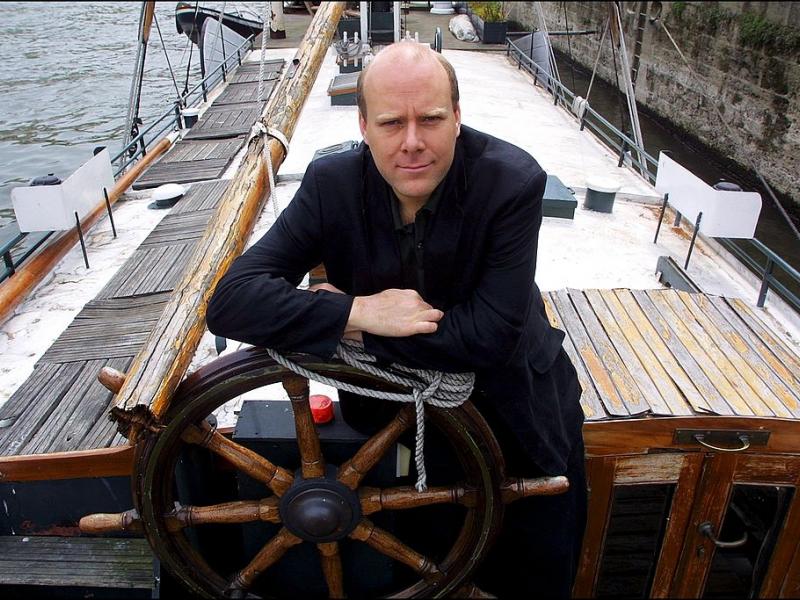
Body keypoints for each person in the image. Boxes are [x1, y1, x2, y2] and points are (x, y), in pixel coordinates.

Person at [206, 42, 586, 597]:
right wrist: (360, 310)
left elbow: (490, 338)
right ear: (364, 126)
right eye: (391, 123)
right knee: (427, 565)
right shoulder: (332, 186)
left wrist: (354, 330)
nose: (412, 142)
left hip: (518, 411)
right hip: (397, 423)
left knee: (535, 568)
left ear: (457, 117)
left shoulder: (510, 183)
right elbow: (231, 301)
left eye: (430, 119)